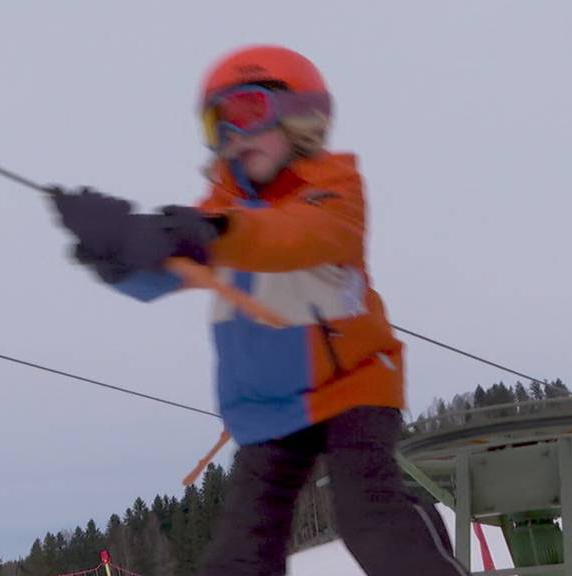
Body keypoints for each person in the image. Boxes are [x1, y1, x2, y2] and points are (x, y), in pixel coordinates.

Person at [50, 45, 467, 576]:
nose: (233, 136)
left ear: (300, 115)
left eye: (246, 113)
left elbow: (293, 237)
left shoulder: (334, 190)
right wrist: (115, 250)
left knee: (370, 517)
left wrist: (203, 234)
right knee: (241, 554)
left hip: (353, 389)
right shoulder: (217, 212)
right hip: (268, 410)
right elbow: (166, 271)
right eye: (216, 123)